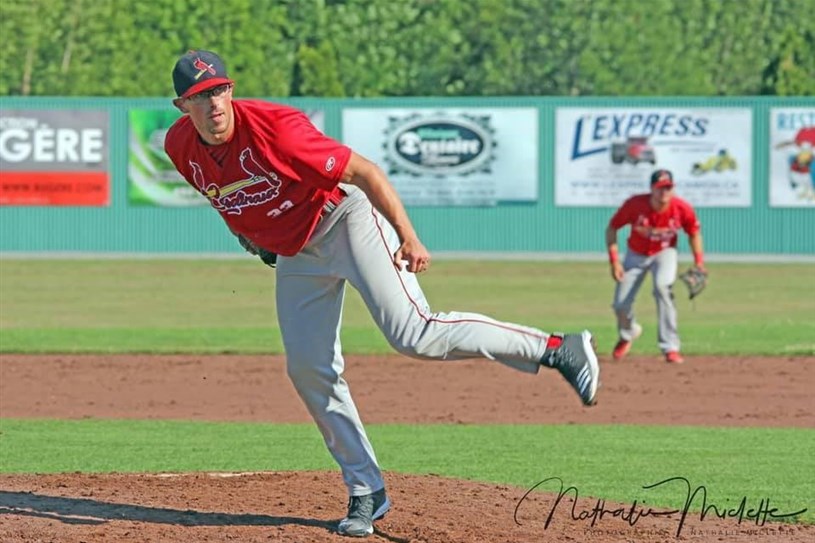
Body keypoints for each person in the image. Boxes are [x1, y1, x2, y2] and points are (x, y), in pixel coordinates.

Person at [164, 49, 600, 538]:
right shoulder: (178, 146)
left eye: (220, 89)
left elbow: (366, 172)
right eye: (201, 96)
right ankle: (366, 490)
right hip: (297, 254)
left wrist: (408, 235)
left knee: (414, 333)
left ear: (231, 89)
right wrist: (253, 235)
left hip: (346, 220)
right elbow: (223, 195)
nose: (215, 102)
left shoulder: (276, 128)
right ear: (183, 105)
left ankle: (556, 348)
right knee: (307, 368)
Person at [605, 169, 705, 364]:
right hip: (636, 254)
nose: (664, 193)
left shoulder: (681, 208)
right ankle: (629, 333)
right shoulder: (635, 205)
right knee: (620, 304)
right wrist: (614, 261)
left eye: (668, 188)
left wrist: (699, 262)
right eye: (660, 188)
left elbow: (693, 232)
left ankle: (670, 347)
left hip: (665, 252)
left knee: (663, 288)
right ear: (651, 189)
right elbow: (612, 227)